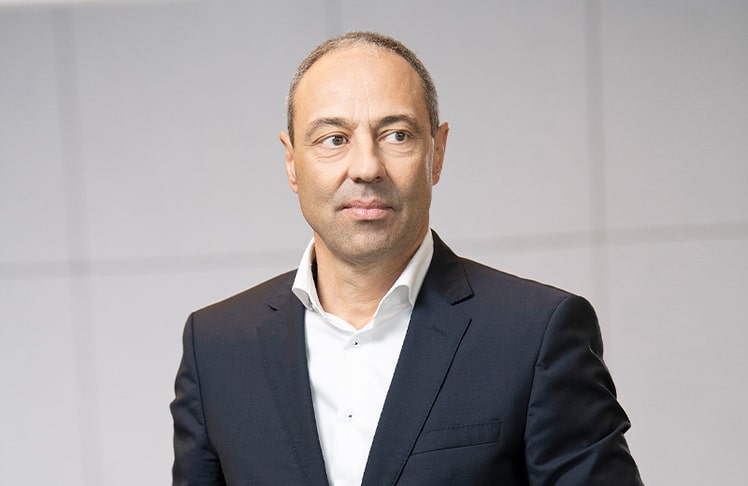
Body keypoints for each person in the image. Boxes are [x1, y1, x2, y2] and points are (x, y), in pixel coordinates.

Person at [170, 31, 642, 485]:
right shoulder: (215, 348)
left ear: (437, 152)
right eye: (334, 138)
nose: (366, 167)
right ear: (292, 162)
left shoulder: (536, 333)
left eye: (396, 135)